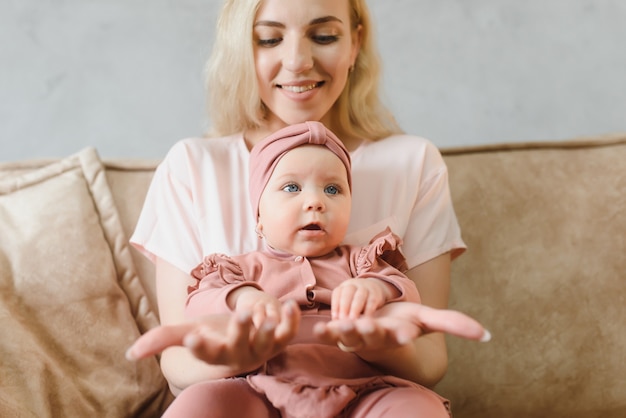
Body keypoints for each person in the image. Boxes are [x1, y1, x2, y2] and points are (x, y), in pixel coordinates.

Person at [126, 0, 490, 416]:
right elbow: (177, 366)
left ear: (355, 44)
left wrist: (374, 342)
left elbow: (428, 361)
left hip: (367, 393)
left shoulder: (412, 163)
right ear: (241, 49)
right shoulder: (193, 166)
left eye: (323, 36)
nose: (298, 61)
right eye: (269, 38)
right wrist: (240, 352)